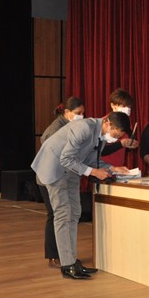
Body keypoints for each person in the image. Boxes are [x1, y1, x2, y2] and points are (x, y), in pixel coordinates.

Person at [31, 111, 131, 279]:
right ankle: (67, 265)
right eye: (116, 135)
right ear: (107, 123)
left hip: (71, 170)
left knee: (75, 212)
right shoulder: (84, 128)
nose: (115, 139)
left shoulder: (100, 135)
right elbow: (66, 159)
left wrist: (112, 168)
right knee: (63, 214)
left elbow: (91, 159)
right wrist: (94, 172)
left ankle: (71, 260)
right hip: (54, 167)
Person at [37, 96, 85, 268]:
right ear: (66, 112)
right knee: (55, 215)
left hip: (62, 176)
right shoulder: (55, 128)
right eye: (78, 113)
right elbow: (49, 151)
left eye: (83, 113)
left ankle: (66, 255)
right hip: (49, 177)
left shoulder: (72, 126)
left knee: (64, 215)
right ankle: (53, 256)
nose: (81, 116)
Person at [101, 88, 139, 165]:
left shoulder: (127, 122)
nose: (127, 109)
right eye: (123, 106)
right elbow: (100, 150)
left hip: (119, 165)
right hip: (103, 166)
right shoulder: (105, 122)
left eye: (129, 106)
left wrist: (131, 144)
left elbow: (125, 146)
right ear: (113, 105)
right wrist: (121, 144)